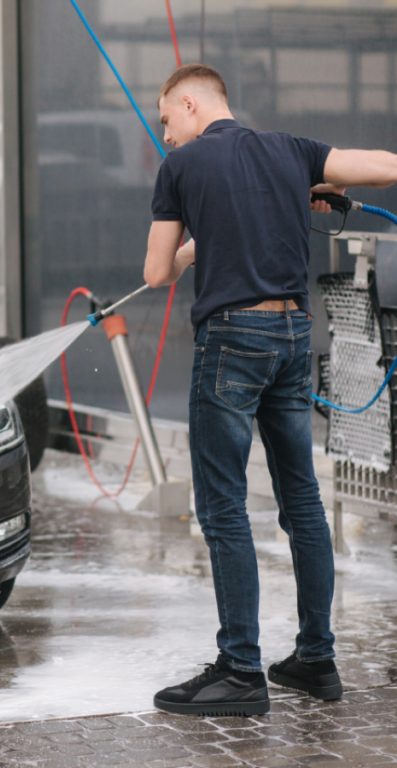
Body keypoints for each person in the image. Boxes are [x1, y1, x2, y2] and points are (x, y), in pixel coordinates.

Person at [143, 63, 397, 716]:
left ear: (192, 103)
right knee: (302, 503)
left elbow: (154, 272)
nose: (167, 137)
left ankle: (240, 670)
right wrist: (301, 186)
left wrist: (195, 246)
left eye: (167, 121)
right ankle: (316, 658)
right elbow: (386, 166)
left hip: (232, 343)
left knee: (223, 509)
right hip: (291, 337)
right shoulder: (292, 152)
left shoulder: (181, 169)